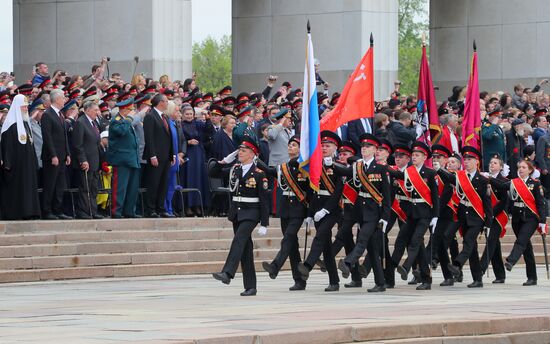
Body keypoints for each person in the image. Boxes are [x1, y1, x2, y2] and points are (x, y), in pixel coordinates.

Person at [210, 137, 270, 296]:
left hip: (251, 213)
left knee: (239, 239)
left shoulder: (259, 174)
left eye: (243, 151)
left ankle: (228, 273)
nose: (239, 153)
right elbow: (213, 173)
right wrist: (223, 162)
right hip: (237, 212)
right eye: (239, 150)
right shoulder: (235, 169)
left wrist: (264, 223)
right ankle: (251, 286)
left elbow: (264, 200)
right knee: (245, 249)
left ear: (252, 154)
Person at [336, 134, 391, 292]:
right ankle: (380, 283)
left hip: (375, 213)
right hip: (361, 212)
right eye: (363, 146)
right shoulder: (357, 167)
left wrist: (385, 218)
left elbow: (386, 197)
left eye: (368, 147)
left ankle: (348, 262)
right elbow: (354, 187)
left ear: (375, 150)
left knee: (362, 239)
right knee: (373, 250)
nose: (364, 148)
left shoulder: (382, 169)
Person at [437, 146, 492, 288]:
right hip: (462, 215)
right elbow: (449, 178)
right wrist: (438, 170)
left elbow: (487, 204)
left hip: (477, 217)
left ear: (477, 162)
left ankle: (456, 264)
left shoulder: (482, 179)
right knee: (471, 248)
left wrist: (488, 223)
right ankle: (477, 279)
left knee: (468, 241)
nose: (466, 162)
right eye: (465, 159)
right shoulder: (460, 176)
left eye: (470, 159)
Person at [260, 136, 310, 291]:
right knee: (292, 246)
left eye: (294, 145)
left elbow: (309, 190)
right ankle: (299, 280)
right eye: (289, 145)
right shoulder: (283, 167)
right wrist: (256, 160)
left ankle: (275, 266)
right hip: (285, 209)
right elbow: (270, 171)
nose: (290, 147)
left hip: (298, 208)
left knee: (288, 238)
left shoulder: (305, 167)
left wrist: (310, 212)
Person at [297, 131, 344, 292]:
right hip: (317, 208)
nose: (324, 148)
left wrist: (325, 210)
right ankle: (334, 281)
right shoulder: (316, 166)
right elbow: (313, 192)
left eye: (328, 146)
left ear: (335, 148)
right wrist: (310, 214)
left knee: (320, 236)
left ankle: (308, 265)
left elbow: (338, 192)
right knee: (326, 247)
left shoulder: (339, 167)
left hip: (332, 209)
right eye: (322, 145)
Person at [489, 160, 547, 286]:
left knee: (521, 240)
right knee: (526, 248)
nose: (520, 169)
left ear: (530, 170)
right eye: (519, 167)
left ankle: (511, 261)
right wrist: (489, 178)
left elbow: (540, 203)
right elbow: (500, 186)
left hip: (531, 218)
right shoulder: (514, 182)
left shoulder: (535, 184)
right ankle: (532, 277)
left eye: (523, 167)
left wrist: (542, 221)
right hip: (517, 218)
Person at [392, 141, 439, 290]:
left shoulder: (430, 173)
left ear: (424, 157)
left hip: (425, 214)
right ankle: (425, 278)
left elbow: (435, 197)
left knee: (415, 240)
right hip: (411, 214)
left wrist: (435, 216)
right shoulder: (408, 172)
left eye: (417, 155)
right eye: (413, 155)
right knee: (403, 240)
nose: (414, 157)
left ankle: (406, 267)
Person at [0, 94, 40, 220]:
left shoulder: (26, 124)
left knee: (28, 188)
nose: (26, 109)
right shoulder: (10, 126)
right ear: (17, 108)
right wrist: (8, 163)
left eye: (26, 107)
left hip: (28, 164)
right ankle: (17, 212)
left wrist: (34, 162)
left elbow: (31, 145)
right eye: (23, 107)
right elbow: (7, 147)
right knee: (18, 189)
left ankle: (29, 212)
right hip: (16, 165)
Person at [107, 98, 141, 218]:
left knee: (132, 188)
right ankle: (116, 211)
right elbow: (121, 131)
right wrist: (129, 118)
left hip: (132, 159)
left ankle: (129, 211)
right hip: (121, 159)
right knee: (120, 187)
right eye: (130, 109)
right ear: (124, 109)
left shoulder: (126, 121)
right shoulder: (116, 120)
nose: (133, 112)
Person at [41, 89, 72, 220]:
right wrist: (53, 155)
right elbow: (47, 137)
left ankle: (58, 209)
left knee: (60, 185)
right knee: (50, 184)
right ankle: (47, 211)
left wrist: (67, 153)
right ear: (57, 99)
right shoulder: (47, 114)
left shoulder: (60, 114)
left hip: (62, 155)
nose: (64, 100)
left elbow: (64, 136)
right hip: (52, 157)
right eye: (63, 97)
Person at [143, 93, 175, 218]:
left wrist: (172, 154)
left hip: (166, 156)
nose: (167, 103)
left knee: (163, 183)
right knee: (153, 183)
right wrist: (152, 155)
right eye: (166, 101)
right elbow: (149, 138)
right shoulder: (150, 116)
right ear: (160, 102)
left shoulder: (164, 117)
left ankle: (161, 208)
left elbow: (169, 137)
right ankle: (151, 209)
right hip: (156, 156)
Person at [479, 155, 509, 283]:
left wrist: (491, 214)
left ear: (501, 167)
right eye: (491, 162)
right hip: (488, 214)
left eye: (495, 163)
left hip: (499, 215)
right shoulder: (484, 179)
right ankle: (500, 275)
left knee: (491, 241)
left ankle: (480, 270)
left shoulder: (504, 180)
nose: (492, 165)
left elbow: (503, 202)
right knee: (495, 245)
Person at [72, 101, 103, 219]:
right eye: (95, 110)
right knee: (85, 188)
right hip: (86, 162)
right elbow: (77, 145)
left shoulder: (93, 123)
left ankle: (93, 211)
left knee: (93, 188)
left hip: (95, 161)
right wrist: (83, 160)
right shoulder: (81, 122)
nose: (97, 112)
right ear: (88, 110)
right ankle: (83, 212)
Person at [180, 104, 211, 217]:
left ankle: (198, 205)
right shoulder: (180, 125)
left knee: (199, 179)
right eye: (187, 114)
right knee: (189, 178)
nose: (189, 116)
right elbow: (179, 140)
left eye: (191, 114)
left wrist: (207, 117)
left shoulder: (197, 123)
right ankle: (188, 205)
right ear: (182, 115)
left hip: (199, 154)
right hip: (187, 153)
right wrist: (188, 142)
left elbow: (209, 129)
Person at [164, 101, 185, 217]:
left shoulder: (174, 123)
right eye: (176, 110)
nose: (178, 113)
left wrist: (178, 155)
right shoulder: (167, 123)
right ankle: (166, 208)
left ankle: (170, 208)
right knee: (166, 186)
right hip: (169, 160)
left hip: (175, 159)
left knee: (171, 186)